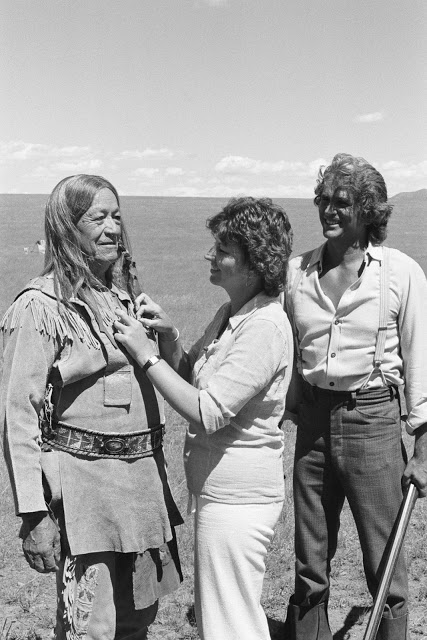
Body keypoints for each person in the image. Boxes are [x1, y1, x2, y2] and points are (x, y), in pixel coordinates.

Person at [0, 175, 183, 640]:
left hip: (142, 491)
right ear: (67, 227)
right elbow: (19, 415)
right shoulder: (40, 307)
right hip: (85, 496)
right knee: (91, 626)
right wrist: (33, 513)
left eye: (116, 216)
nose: (113, 228)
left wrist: (167, 337)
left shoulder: (125, 300)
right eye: (97, 217)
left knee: (138, 619)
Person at [113, 197, 294, 640]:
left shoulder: (264, 327)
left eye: (224, 250)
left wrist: (146, 355)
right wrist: (168, 337)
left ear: (255, 264)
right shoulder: (231, 314)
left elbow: (207, 410)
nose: (210, 256)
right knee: (225, 618)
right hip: (220, 492)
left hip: (238, 499)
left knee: (231, 625)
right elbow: (193, 373)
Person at [284, 153, 427, 640]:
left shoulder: (400, 273)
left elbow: (421, 361)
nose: (328, 210)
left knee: (385, 564)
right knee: (309, 560)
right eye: (323, 199)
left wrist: (424, 446)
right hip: (312, 424)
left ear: (368, 210)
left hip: (373, 420)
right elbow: (282, 349)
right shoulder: (296, 273)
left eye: (341, 202)